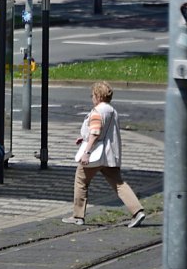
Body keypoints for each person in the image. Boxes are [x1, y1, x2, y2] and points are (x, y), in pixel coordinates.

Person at [62, 81, 146, 228]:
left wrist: (86, 152)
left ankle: (78, 215)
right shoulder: (112, 111)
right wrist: (84, 138)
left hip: (95, 155)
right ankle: (137, 211)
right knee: (119, 184)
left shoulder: (97, 111)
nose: (92, 98)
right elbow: (104, 131)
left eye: (92, 95)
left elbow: (95, 132)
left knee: (81, 181)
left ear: (98, 96)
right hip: (110, 155)